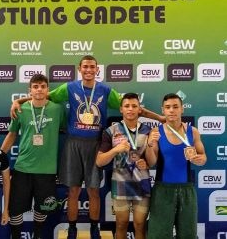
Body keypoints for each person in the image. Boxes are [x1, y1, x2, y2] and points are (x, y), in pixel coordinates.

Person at [11, 55, 163, 239]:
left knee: (93, 191)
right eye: (85, 67)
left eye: (92, 67)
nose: (89, 70)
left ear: (97, 69)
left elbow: (136, 108)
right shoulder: (69, 87)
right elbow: (43, 96)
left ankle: (94, 228)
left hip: (95, 144)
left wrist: (160, 118)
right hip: (73, 142)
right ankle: (72, 229)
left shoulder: (105, 90)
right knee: (73, 190)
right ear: (79, 69)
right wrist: (19, 102)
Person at [1, 74, 66, 239]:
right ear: (29, 90)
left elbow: (66, 131)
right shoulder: (20, 109)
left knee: (42, 207)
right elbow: (12, 135)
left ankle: (37, 236)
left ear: (47, 89)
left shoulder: (57, 109)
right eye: (35, 87)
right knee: (15, 208)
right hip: (23, 168)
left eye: (43, 86)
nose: (39, 89)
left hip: (47, 169)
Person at [145, 93, 207, 239]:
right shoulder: (156, 132)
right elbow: (152, 162)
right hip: (162, 190)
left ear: (182, 109)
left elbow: (203, 156)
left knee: (188, 235)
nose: (171, 110)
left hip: (187, 190)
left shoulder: (193, 131)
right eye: (168, 107)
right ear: (163, 110)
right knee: (158, 235)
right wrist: (149, 144)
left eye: (175, 107)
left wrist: (200, 160)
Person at [96, 93, 151, 239]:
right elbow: (100, 161)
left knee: (140, 224)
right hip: (120, 183)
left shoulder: (148, 131)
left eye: (134, 106)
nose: (130, 109)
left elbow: (153, 159)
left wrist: (146, 162)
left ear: (140, 109)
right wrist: (116, 150)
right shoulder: (111, 131)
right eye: (127, 106)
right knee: (121, 223)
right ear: (121, 109)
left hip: (142, 183)